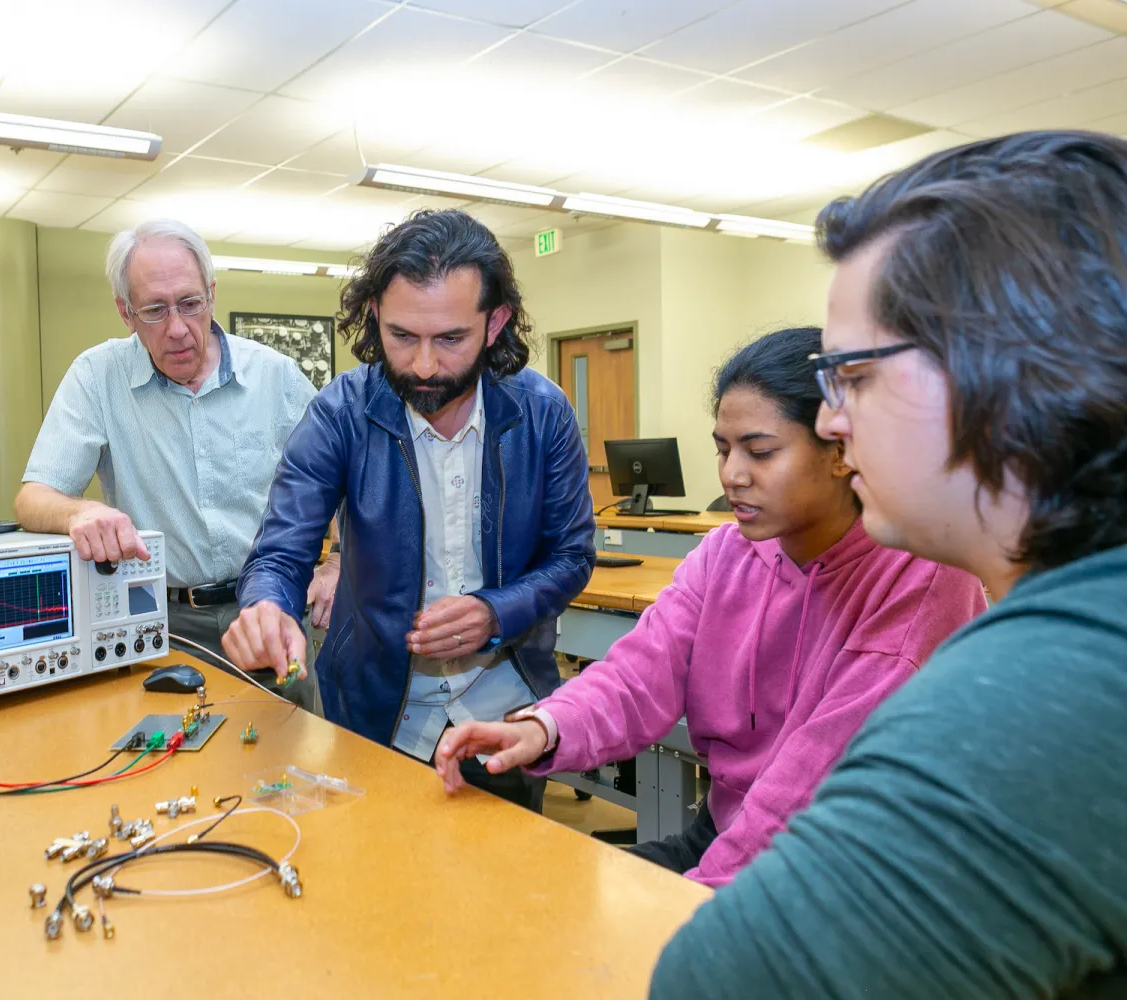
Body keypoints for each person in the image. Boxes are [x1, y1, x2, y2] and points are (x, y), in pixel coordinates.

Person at [649, 130, 1127, 997]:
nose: (832, 421)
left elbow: (718, 982)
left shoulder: (1044, 691)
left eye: (854, 375)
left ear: (1004, 374)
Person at [435, 326, 987, 882]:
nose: (731, 475)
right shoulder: (725, 554)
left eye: (760, 451)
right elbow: (638, 674)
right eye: (723, 449)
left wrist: (689, 911)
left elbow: (807, 794)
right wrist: (546, 726)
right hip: (733, 830)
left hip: (850, 872)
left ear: (842, 449)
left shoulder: (920, 579)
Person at [224, 209, 595, 812]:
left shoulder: (543, 414)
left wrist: (493, 612)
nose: (424, 366)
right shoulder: (341, 412)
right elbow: (281, 549)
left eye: (450, 339)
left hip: (501, 713)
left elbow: (572, 555)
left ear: (494, 322)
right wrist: (268, 606)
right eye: (402, 337)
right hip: (375, 715)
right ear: (374, 316)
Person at [14, 218, 320, 707]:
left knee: (288, 762)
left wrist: (338, 564)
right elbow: (32, 498)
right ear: (125, 312)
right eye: (155, 310)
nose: (177, 329)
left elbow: (348, 479)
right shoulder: (98, 377)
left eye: (190, 304)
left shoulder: (275, 377)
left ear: (212, 295)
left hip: (270, 614)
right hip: (167, 626)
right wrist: (80, 513)